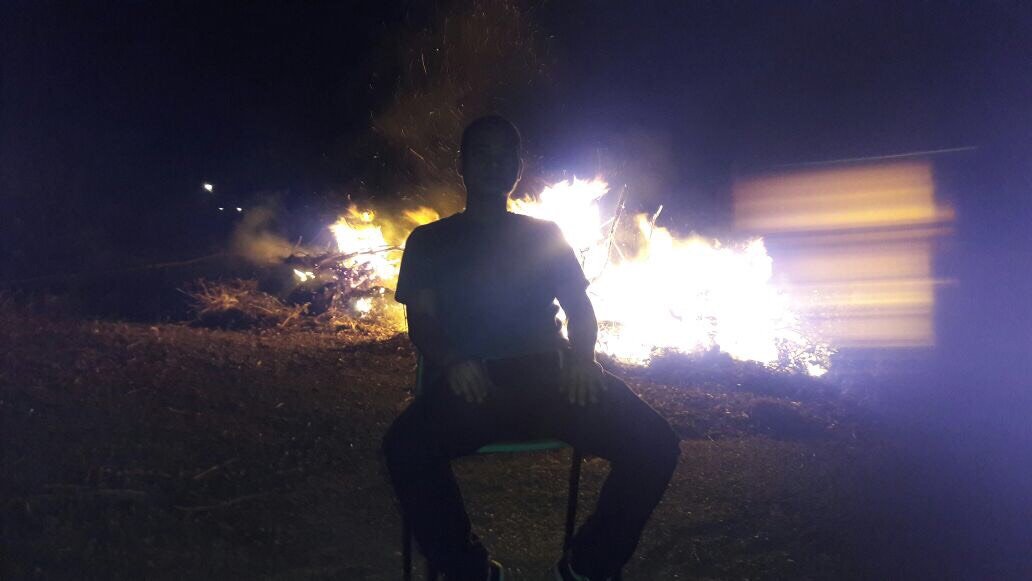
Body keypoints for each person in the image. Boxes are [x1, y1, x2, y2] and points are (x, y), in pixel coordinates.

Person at [383, 115, 680, 581]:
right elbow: (422, 321)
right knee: (404, 447)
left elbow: (580, 310)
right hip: (474, 386)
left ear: (518, 168)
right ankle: (468, 570)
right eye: (482, 153)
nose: (494, 163)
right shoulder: (430, 241)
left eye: (505, 155)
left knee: (656, 444)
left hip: (552, 379)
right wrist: (452, 361)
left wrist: (583, 359)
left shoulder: (545, 235)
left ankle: (587, 566)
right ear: (462, 164)